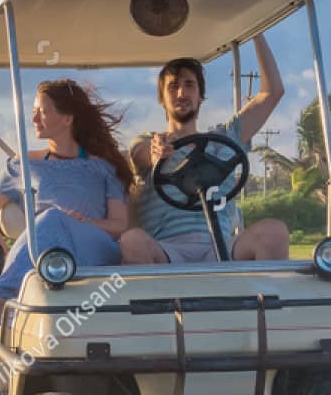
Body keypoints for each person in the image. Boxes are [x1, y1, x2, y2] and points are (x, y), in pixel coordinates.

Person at [0, 80, 134, 325]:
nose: (34, 119)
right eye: (34, 112)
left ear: (67, 118)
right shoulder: (25, 164)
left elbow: (119, 225)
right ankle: (6, 300)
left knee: (53, 217)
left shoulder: (104, 167)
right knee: (51, 219)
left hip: (95, 249)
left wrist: (83, 222)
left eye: (43, 112)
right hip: (48, 255)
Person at [118, 32, 289, 264]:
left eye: (189, 85)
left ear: (200, 95)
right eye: (173, 87)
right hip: (167, 249)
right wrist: (156, 153)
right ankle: (157, 300)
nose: (181, 93)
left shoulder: (226, 137)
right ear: (162, 98)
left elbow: (272, 92)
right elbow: (142, 155)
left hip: (221, 246)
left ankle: (263, 299)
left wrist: (255, 31)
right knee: (132, 241)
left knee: (274, 232)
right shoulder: (150, 141)